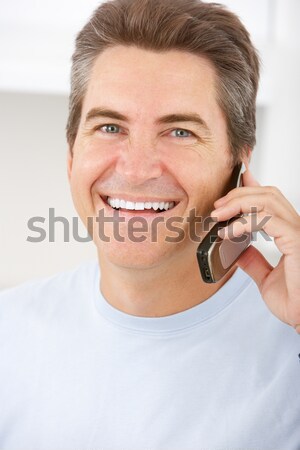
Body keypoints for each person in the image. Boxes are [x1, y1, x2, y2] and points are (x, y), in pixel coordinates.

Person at [0, 0, 299, 448]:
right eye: (109, 127)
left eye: (180, 132)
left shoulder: (290, 339)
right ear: (71, 156)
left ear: (239, 166)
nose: (137, 170)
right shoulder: (10, 334)